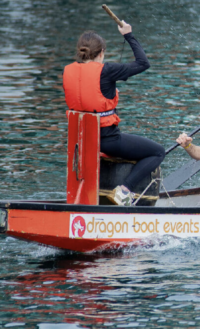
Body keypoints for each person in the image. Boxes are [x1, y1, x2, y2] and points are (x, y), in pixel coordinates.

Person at [63, 22, 165, 204]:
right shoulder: (107, 70)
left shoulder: (68, 71)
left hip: (81, 143)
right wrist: (128, 35)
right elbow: (143, 63)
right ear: (101, 52)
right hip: (107, 141)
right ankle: (124, 190)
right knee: (157, 152)